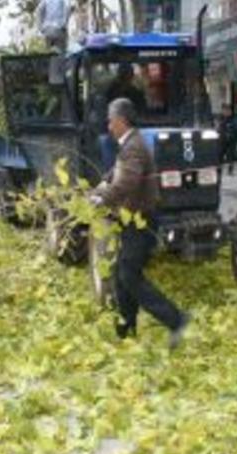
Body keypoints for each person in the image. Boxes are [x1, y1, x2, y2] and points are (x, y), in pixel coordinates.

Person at [91, 98, 190, 349]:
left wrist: (100, 199)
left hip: (141, 221)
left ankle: (177, 319)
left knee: (128, 275)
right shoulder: (129, 144)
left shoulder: (132, 147)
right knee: (120, 275)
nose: (108, 126)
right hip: (132, 220)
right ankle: (125, 332)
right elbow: (116, 175)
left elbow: (126, 183)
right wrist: (100, 186)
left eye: (111, 120)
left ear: (121, 121)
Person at [218, 103, 237, 175]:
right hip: (222, 140)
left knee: (230, 156)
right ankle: (219, 169)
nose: (227, 112)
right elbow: (219, 129)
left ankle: (230, 170)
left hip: (231, 140)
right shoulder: (221, 119)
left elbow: (234, 129)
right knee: (220, 155)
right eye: (225, 110)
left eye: (228, 110)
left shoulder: (232, 119)